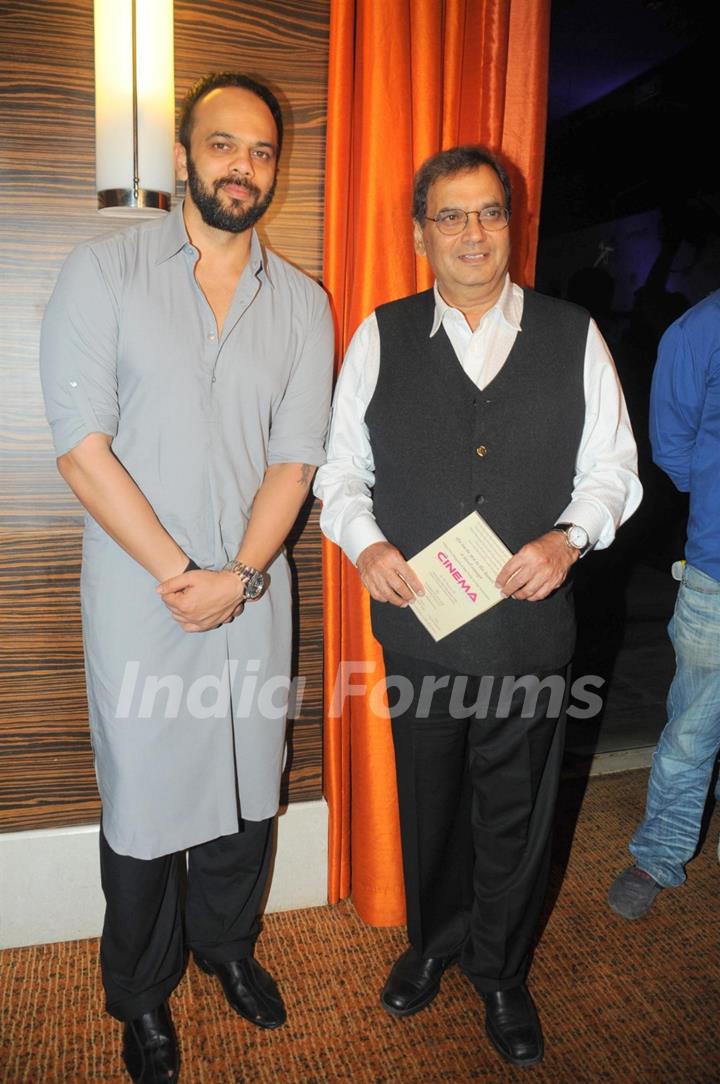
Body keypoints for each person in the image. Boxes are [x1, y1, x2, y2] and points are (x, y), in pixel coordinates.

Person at [314, 145, 641, 1067]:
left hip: (530, 631)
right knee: (431, 802)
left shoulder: (575, 334)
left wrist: (569, 538)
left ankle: (499, 971)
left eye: (489, 213)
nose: (472, 232)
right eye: (451, 216)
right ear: (421, 233)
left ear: (512, 226)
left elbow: (613, 469)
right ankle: (435, 943)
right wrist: (365, 541)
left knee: (516, 811)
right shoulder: (380, 334)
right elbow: (341, 467)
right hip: (421, 625)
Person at [40, 72, 333, 1084]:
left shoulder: (303, 303)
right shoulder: (105, 271)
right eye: (221, 145)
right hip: (142, 600)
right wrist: (184, 575)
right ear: (181, 155)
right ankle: (139, 994)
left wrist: (241, 576)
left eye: (259, 150)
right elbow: (82, 450)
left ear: (273, 169)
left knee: (251, 788)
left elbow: (297, 461)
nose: (241, 166)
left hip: (252, 596)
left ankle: (226, 949)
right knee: (148, 802)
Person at [608, 290, 720, 920]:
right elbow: (673, 451)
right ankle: (659, 854)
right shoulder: (700, 328)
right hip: (717, 569)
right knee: (692, 731)